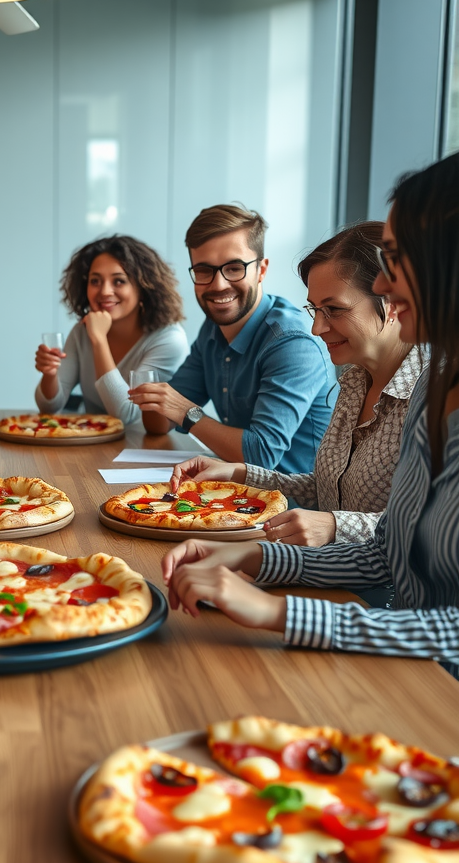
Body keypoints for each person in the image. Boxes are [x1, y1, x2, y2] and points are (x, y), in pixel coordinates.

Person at [162, 155, 459, 679]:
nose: (387, 286)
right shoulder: (422, 389)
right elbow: (389, 550)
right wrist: (252, 558)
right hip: (392, 650)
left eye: (397, 259)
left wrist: (280, 611)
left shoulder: (419, 384)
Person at [170, 222, 425, 546]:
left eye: (333, 309)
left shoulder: (433, 393)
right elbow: (327, 491)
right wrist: (238, 474)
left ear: (391, 301)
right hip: (327, 566)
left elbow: (425, 532)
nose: (317, 327)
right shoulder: (355, 381)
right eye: (315, 309)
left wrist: (335, 527)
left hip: (378, 592)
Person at [128, 204, 336, 474]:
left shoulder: (292, 343)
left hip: (293, 507)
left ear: (261, 270)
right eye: (204, 270)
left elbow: (260, 455)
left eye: (234, 268)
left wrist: (184, 410)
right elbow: (159, 424)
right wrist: (155, 394)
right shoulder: (213, 327)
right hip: (236, 493)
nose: (218, 285)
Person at [33, 235, 189, 426]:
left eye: (119, 281)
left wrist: (99, 341)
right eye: (95, 281)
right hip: (94, 447)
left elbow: (127, 415)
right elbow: (49, 407)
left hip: (148, 450)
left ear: (143, 287)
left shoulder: (168, 339)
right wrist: (50, 374)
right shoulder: (82, 332)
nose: (105, 291)